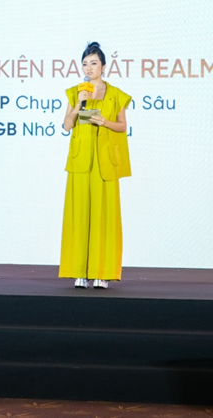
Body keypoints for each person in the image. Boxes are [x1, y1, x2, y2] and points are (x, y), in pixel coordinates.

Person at [59, 42, 132, 289]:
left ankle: (102, 272)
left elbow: (123, 126)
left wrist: (105, 122)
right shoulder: (76, 92)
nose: (89, 68)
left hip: (104, 163)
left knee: (105, 216)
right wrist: (78, 104)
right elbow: (67, 125)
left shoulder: (116, 94)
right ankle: (79, 271)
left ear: (103, 66)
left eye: (93, 63)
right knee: (79, 214)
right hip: (81, 161)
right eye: (85, 64)